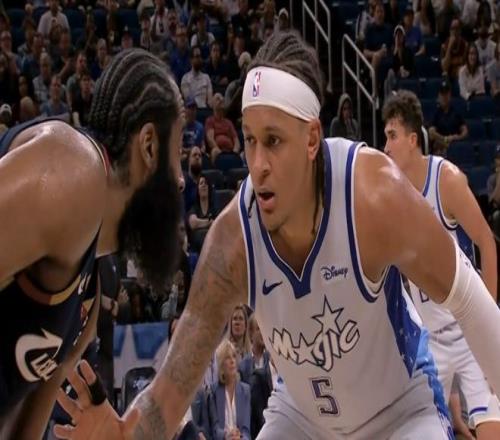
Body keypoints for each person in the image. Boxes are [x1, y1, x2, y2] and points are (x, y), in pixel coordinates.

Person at [55, 31, 500, 440]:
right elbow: (169, 393)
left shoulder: (373, 195)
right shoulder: (233, 241)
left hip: (401, 413)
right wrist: (124, 435)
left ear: (312, 139)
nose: (258, 164)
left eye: (273, 141)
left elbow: (469, 300)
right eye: (250, 140)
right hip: (301, 419)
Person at [0, 48, 185, 440]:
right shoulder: (72, 170)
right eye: (178, 152)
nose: (182, 179)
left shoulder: (87, 298)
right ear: (149, 145)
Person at [383, 90, 500, 439]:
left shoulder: (445, 179)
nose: (385, 147)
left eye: (392, 136)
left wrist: (488, 317)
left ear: (413, 140)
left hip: (468, 329)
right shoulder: (393, 197)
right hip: (431, 340)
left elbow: (486, 241)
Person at [208, 340, 251, 440]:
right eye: (227, 357)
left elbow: (246, 430)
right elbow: (215, 429)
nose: (232, 361)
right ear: (221, 364)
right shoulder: (213, 391)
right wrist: (227, 435)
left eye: (234, 356)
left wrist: (240, 438)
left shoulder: (245, 390)